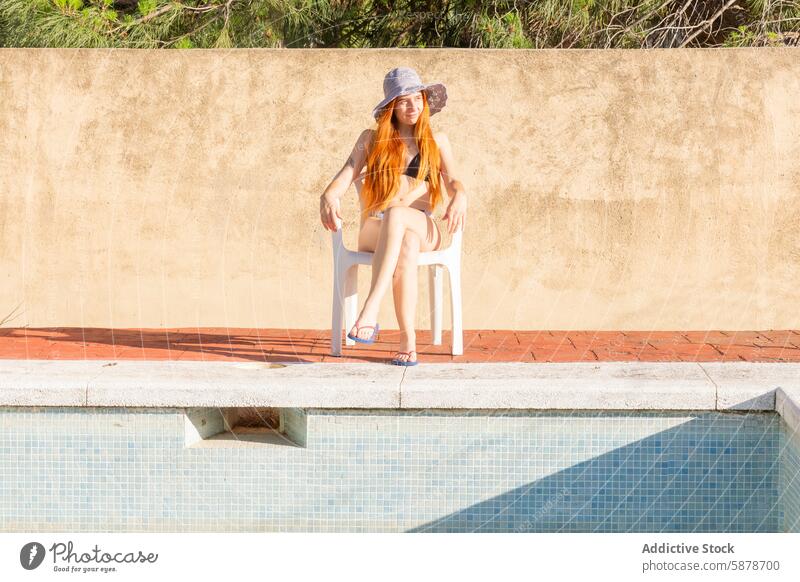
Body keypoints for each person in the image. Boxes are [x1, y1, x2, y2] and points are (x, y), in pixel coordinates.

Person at [319, 67, 468, 366]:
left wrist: (461, 194)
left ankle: (371, 310)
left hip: (423, 224)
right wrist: (328, 195)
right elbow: (346, 175)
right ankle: (408, 340)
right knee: (406, 243)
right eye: (404, 100)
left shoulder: (437, 141)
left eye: (418, 98)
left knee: (402, 218)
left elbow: (453, 182)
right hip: (378, 227)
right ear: (391, 107)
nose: (412, 106)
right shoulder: (371, 140)